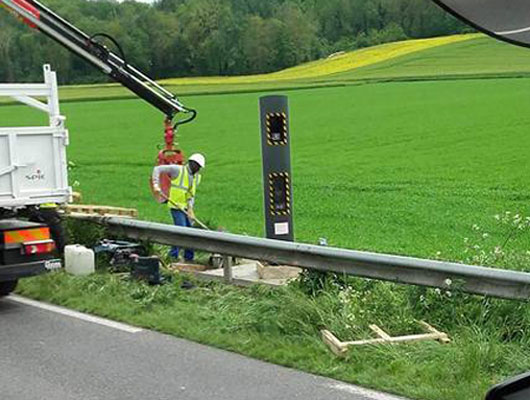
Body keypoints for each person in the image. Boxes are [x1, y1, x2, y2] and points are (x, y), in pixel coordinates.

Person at [152, 153, 205, 262]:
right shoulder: (177, 170)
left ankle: (189, 258)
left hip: (185, 207)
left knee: (190, 232)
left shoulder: (195, 178)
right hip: (176, 206)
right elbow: (157, 169)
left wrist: (190, 209)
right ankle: (173, 256)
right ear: (192, 163)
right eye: (198, 167)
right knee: (181, 230)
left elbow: (190, 195)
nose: (198, 169)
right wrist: (156, 185)